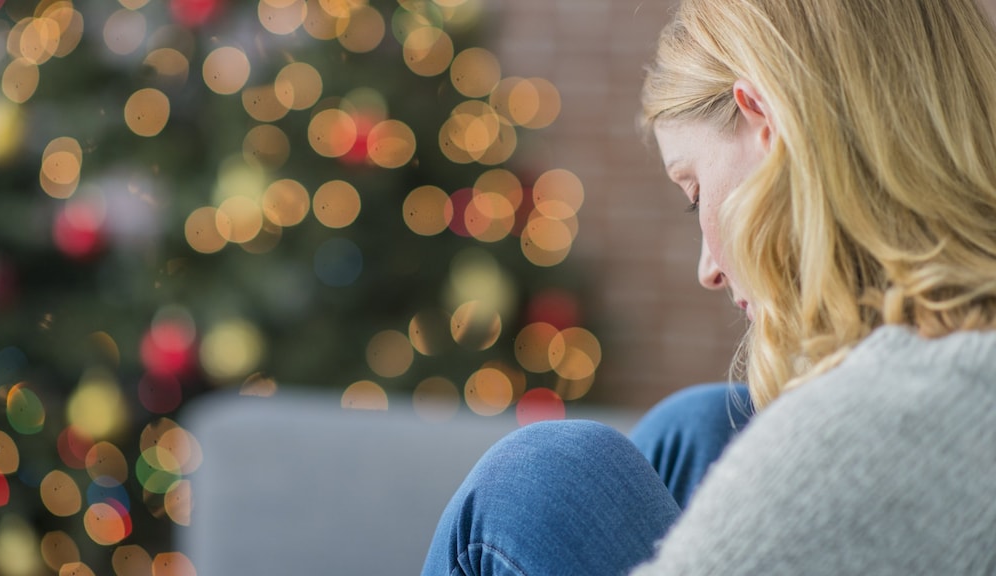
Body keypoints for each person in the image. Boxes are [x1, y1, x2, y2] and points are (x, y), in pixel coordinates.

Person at [422, 0, 996, 573]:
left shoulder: (873, 427)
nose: (708, 271)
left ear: (765, 123)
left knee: (539, 477)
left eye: (694, 193)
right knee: (701, 428)